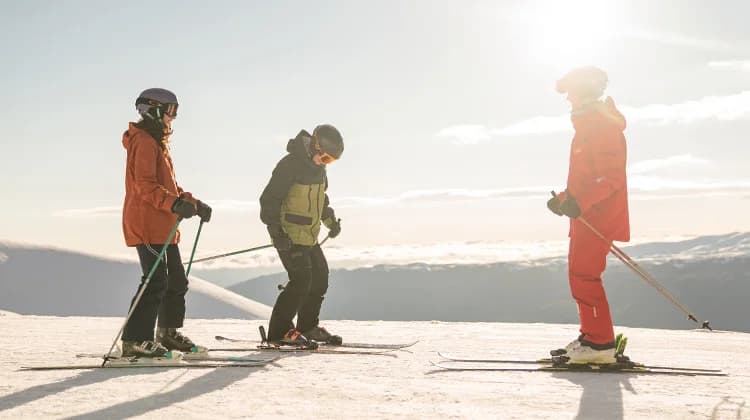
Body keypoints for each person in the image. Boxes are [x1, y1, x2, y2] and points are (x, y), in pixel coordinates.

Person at [120, 88, 212, 357]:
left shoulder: (157, 143)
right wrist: (173, 204)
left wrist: (193, 203)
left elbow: (167, 185)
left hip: (165, 225)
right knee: (155, 281)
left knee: (176, 283)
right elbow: (144, 186)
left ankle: (167, 334)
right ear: (155, 110)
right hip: (147, 225)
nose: (174, 117)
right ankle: (134, 341)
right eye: (171, 110)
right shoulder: (145, 142)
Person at [546, 67, 630, 364]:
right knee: (579, 276)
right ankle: (592, 337)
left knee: (585, 276)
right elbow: (588, 178)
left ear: (584, 91)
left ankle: (599, 344)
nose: (568, 98)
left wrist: (579, 202)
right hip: (586, 215)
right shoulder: (589, 125)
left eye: (571, 91)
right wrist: (564, 200)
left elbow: (609, 178)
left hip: (597, 217)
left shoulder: (601, 126)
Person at [259, 125, 344, 348]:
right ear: (315, 145)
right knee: (301, 281)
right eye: (325, 157)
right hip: (288, 235)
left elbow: (321, 201)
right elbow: (268, 200)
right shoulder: (289, 166)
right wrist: (276, 233)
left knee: (320, 278)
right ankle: (279, 332)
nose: (325, 163)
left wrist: (331, 222)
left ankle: (307, 327)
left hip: (309, 236)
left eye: (331, 161)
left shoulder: (319, 170)